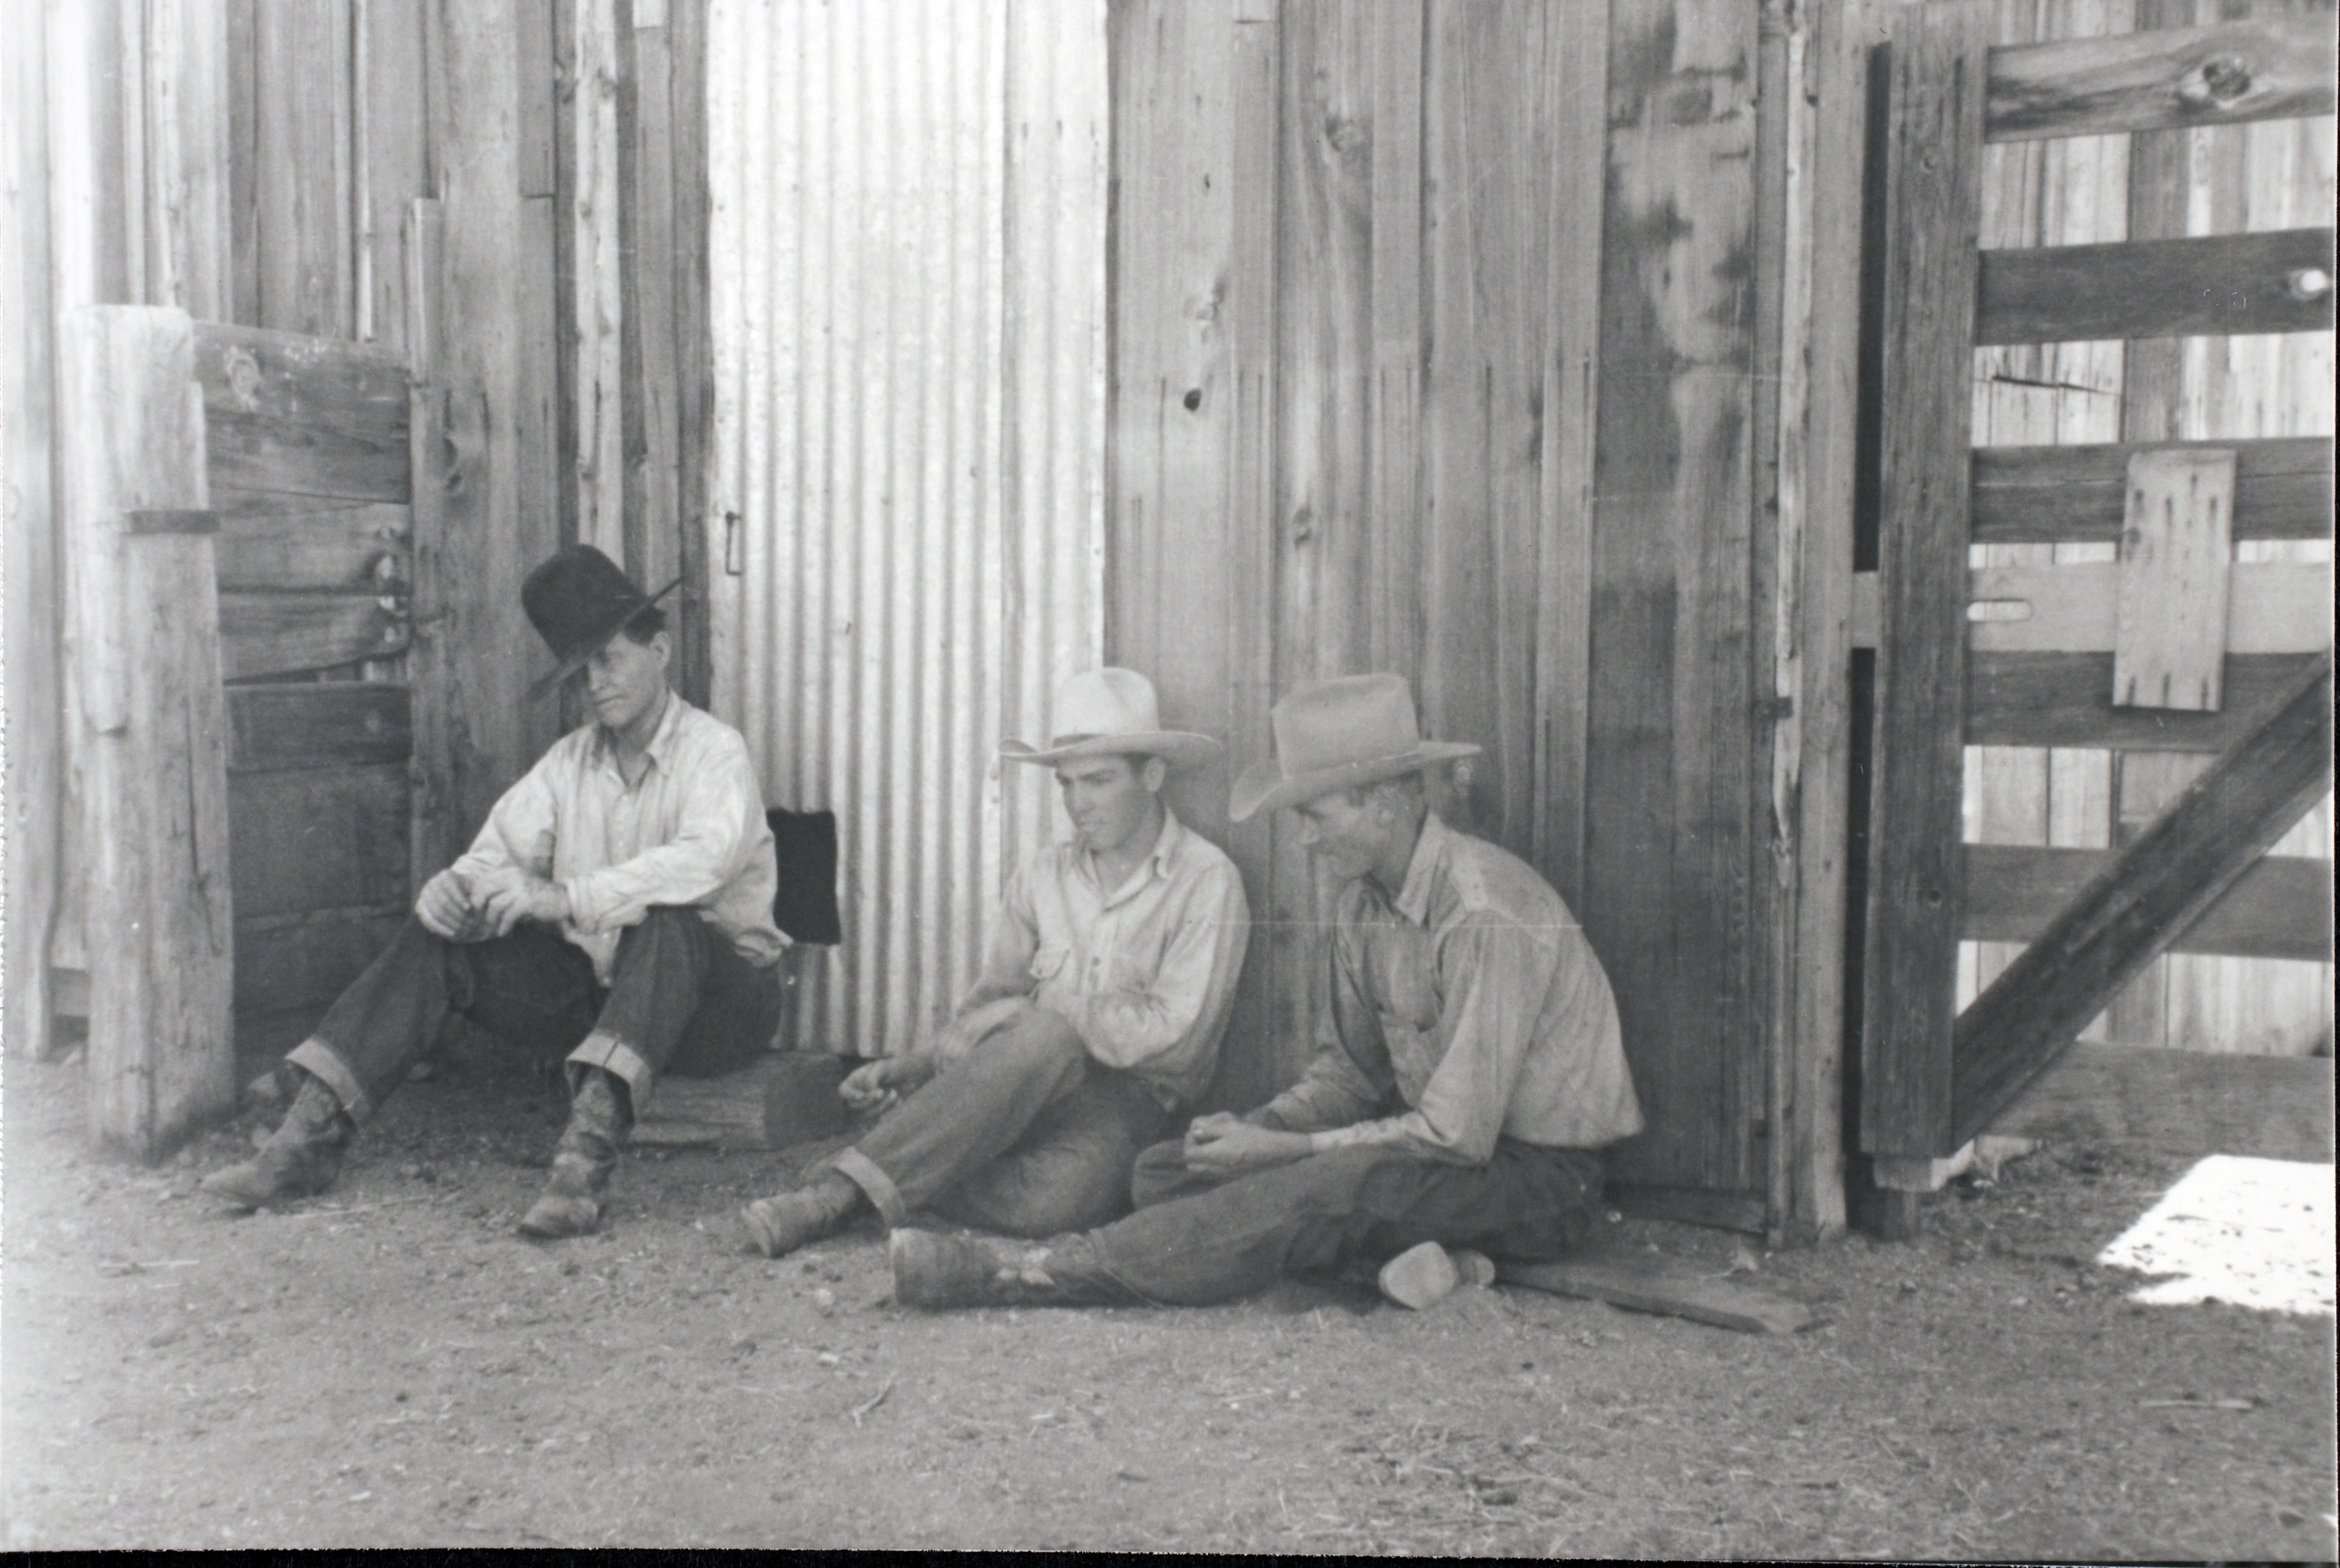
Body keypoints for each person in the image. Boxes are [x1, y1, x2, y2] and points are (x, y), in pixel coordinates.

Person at [887, 671, 1643, 1310]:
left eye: (1315, 815)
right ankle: (1443, 1264)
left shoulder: (1482, 913)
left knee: (1328, 1183)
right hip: (1441, 1164)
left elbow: (1455, 1135)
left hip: (1539, 1179)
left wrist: (1282, 1149)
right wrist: (1254, 1129)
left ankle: (1042, 1272)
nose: (1306, 840)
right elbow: (1347, 1074)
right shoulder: (1363, 905)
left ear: (1383, 799)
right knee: (1163, 1172)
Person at [201, 545, 789, 1240]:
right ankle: (305, 1141)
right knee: (440, 935)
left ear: (658, 649)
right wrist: (453, 891)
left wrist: (564, 896)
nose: (596, 685)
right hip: (606, 1005)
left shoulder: (714, 751)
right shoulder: (569, 761)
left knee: (667, 921)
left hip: (719, 1008)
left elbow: (704, 862)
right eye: (580, 673)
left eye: (609, 660)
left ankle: (581, 1168)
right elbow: (493, 857)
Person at [740, 668, 1250, 1258]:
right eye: (1067, 784)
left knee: (1063, 1201)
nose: (1078, 805)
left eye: (1099, 782)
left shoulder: (1206, 881)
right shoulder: (1042, 874)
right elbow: (988, 1012)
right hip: (1019, 1081)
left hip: (1129, 1103)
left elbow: (1176, 1044)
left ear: (1153, 776)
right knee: (1042, 1036)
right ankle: (833, 1196)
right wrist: (917, 1065)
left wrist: (1041, 1013)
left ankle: (897, 1164)